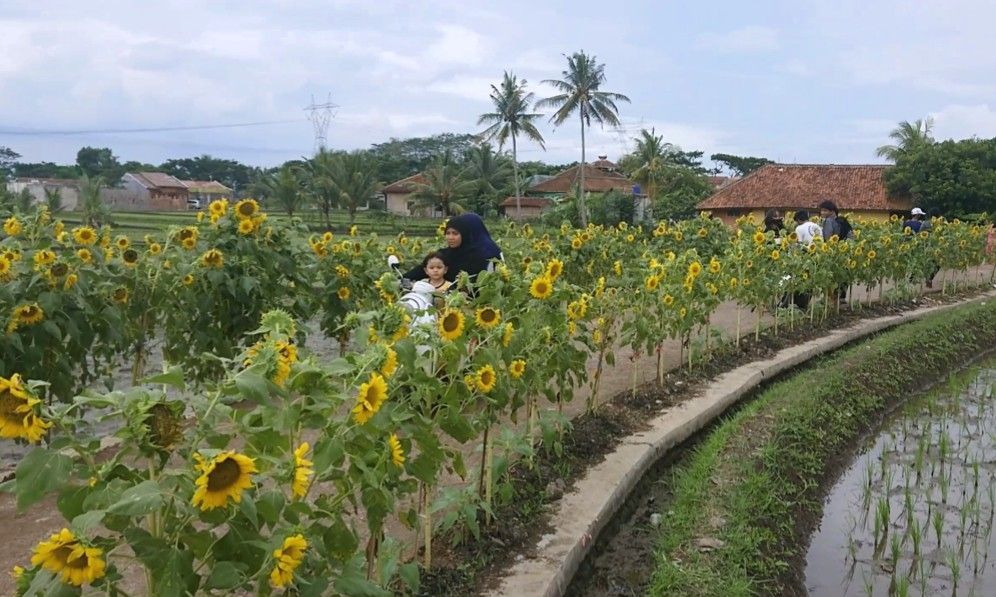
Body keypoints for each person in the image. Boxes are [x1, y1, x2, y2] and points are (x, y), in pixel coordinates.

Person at [404, 212, 503, 283]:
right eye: (447, 233)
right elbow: (422, 270)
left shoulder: (484, 256)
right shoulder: (444, 254)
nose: (450, 238)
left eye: (455, 234)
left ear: (466, 234)